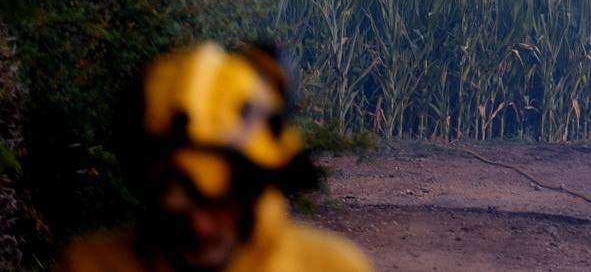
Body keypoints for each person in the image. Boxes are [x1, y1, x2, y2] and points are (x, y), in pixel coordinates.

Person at [60, 42, 371, 272]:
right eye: (177, 206)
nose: (200, 227)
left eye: (220, 202)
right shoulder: (91, 265)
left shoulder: (331, 267)